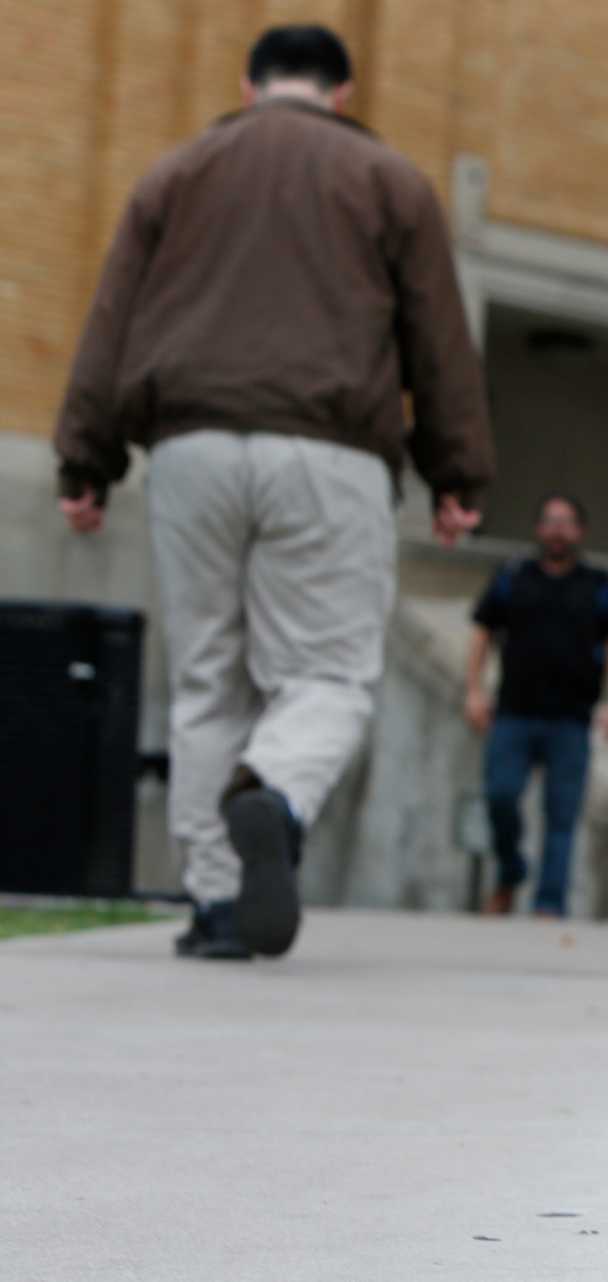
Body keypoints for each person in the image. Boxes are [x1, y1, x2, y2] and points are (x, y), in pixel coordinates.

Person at [51, 24, 493, 961]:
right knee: (327, 672)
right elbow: (438, 340)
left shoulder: (177, 172)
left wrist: (85, 461)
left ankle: (215, 904)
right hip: (327, 454)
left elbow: (110, 318)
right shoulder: (391, 183)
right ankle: (276, 791)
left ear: (249, 87)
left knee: (208, 677)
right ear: (342, 94)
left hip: (190, 448)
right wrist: (456, 474)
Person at [465, 495, 608, 917]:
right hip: (514, 713)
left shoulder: (599, 584)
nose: (558, 530)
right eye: (551, 522)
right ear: (539, 529)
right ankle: (511, 870)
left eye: (567, 522)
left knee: (562, 815)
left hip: (571, 719)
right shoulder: (512, 576)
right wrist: (474, 691)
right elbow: (482, 632)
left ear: (580, 531)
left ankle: (549, 903)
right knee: (500, 796)